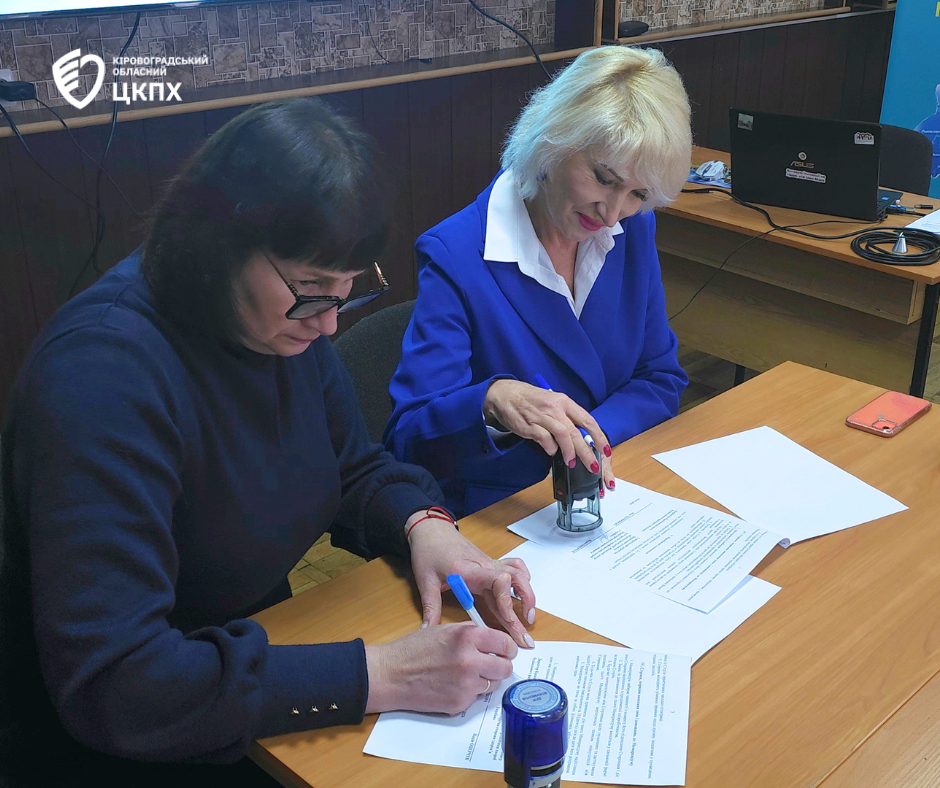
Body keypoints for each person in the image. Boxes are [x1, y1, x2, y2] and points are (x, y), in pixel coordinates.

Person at [0, 98, 535, 788]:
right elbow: (117, 684)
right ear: (216, 243)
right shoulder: (102, 378)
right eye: (312, 289)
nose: (330, 324)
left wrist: (424, 526)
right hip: (128, 738)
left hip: (253, 666)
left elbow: (353, 468)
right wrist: (378, 673)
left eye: (350, 288)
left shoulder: (276, 325)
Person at [384, 46, 692, 518]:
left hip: (611, 491)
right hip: (504, 512)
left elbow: (660, 377)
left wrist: (586, 441)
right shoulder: (457, 253)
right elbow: (408, 437)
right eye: (603, 178)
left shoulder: (633, 227)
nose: (612, 213)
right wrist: (489, 401)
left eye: (638, 193)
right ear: (552, 141)